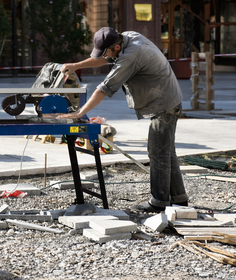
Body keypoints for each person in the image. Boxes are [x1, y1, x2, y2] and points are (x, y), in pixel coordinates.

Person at [57, 27, 188, 213]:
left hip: (164, 104)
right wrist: (77, 65)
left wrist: (80, 113)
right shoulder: (127, 37)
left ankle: (159, 202)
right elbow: (104, 58)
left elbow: (105, 88)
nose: (106, 57)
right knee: (166, 151)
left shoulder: (130, 56)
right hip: (167, 98)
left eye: (108, 51)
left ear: (116, 47)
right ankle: (179, 199)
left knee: (157, 152)